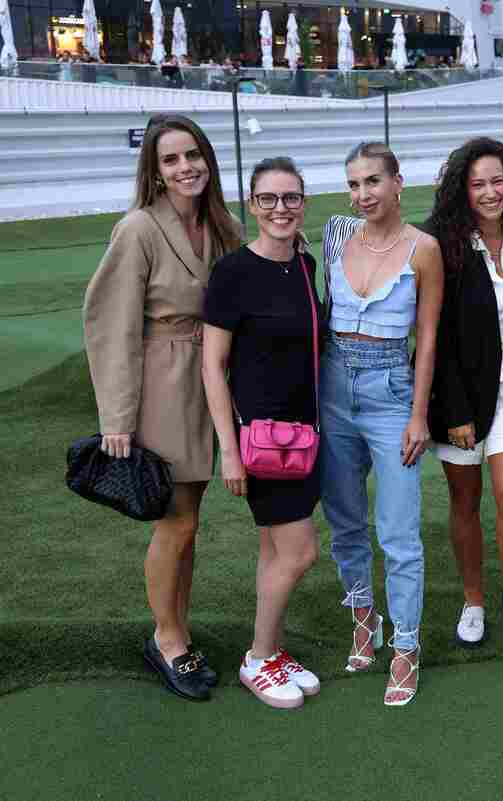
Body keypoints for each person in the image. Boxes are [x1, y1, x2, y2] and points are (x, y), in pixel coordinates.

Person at [83, 114, 241, 701]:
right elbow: (110, 325)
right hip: (161, 380)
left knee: (189, 520)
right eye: (170, 159)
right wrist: (116, 418)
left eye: (192, 155)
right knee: (176, 520)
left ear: (208, 159)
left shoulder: (224, 225)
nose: (184, 167)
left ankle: (177, 625)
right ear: (154, 171)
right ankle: (168, 639)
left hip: (209, 379)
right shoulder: (138, 229)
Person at [321, 142, 444, 706]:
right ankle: (363, 619)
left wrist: (419, 414)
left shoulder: (424, 249)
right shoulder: (336, 235)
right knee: (345, 521)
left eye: (373, 181)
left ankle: (406, 647)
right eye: (353, 184)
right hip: (332, 388)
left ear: (398, 182)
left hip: (392, 391)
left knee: (398, 532)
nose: (362, 193)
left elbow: (428, 338)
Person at [201, 157, 323, 709]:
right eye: (268, 199)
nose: (281, 208)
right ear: (252, 205)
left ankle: (270, 651)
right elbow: (212, 366)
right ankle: (257, 659)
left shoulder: (305, 264)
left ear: (303, 202)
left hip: (306, 437)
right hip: (262, 441)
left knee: (275, 551)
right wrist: (229, 451)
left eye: (290, 197)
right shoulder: (232, 272)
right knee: (300, 552)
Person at [425, 137, 503, 657]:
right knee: (465, 501)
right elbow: (437, 336)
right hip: (459, 395)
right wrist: (454, 412)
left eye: (498, 181)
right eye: (478, 184)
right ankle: (473, 598)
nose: (491, 192)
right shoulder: (443, 247)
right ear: (462, 191)